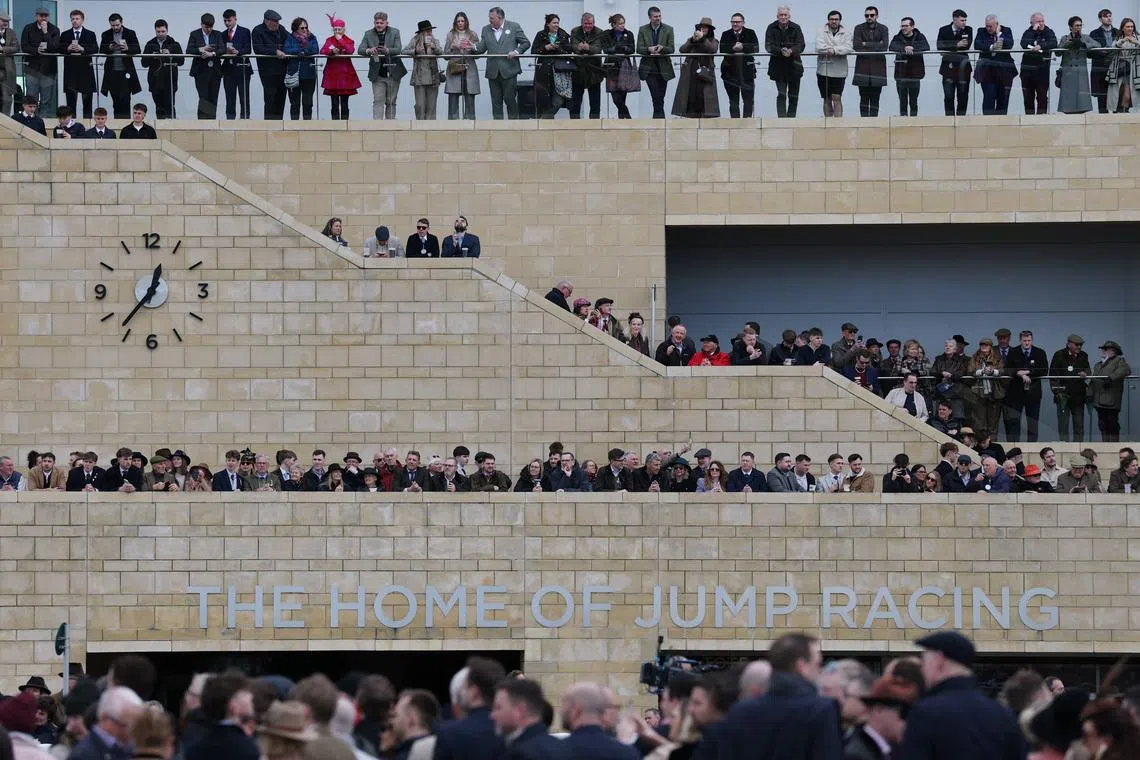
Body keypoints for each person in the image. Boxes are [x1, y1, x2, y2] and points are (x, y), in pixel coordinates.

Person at [900, 631, 1026, 759]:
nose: (922, 670)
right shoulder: (1003, 715)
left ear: (939, 659)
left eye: (923, 662)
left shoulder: (925, 713)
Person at [717, 634, 840, 758]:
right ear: (801, 666)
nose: (820, 670)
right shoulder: (820, 709)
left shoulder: (741, 710)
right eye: (818, 664)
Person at [434, 657, 506, 760]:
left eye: (465, 688)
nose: (462, 693)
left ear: (475, 693)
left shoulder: (449, 734)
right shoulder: (514, 730)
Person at [478, 7, 530, 120]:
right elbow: (481, 48)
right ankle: (498, 128)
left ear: (499, 17)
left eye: (491, 18)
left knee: (510, 99)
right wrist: (471, 47)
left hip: (509, 70)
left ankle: (513, 126)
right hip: (493, 71)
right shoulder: (486, 29)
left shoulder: (514, 26)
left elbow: (526, 43)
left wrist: (516, 52)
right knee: (496, 102)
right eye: (489, 18)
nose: (489, 20)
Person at [560, 684, 638, 760]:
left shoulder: (556, 751)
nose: (561, 712)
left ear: (576, 711)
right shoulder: (625, 753)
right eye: (615, 708)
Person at [69, 687, 145, 760]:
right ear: (104, 718)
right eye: (125, 725)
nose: (133, 732)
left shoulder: (131, 748)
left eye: (138, 726)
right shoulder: (83, 755)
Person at [359, 12, 406, 121]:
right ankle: (377, 126)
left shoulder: (395, 32)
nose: (379, 25)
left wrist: (387, 50)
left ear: (386, 23)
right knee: (378, 100)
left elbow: (398, 49)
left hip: (393, 72)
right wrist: (368, 50)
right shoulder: (368, 34)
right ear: (374, 23)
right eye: (377, 23)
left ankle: (390, 125)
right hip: (377, 73)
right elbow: (360, 49)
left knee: (391, 101)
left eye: (381, 22)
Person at [1003, 330, 1048, 442]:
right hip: (1015, 392)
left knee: (1032, 420)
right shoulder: (1013, 352)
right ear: (1020, 340)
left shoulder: (1039, 352)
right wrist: (1018, 373)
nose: (1027, 343)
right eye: (1024, 341)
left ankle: (1032, 445)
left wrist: (1028, 373)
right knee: (1014, 420)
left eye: (1029, 340)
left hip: (1033, 393)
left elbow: (1044, 370)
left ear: (1032, 340)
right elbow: (1007, 369)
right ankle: (1014, 445)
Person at [672, 17, 719, 118]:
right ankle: (691, 116)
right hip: (691, 70)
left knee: (704, 95)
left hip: (706, 71)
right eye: (702, 27)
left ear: (710, 29)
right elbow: (682, 49)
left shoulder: (714, 40)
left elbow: (712, 49)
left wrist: (703, 38)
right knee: (691, 94)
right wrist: (692, 40)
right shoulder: (692, 39)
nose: (704, 29)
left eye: (706, 27)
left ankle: (703, 116)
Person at [765, 6, 806, 117]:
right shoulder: (771, 27)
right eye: (781, 15)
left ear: (789, 16)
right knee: (781, 94)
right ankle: (782, 120)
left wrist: (791, 51)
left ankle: (791, 119)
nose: (783, 17)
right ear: (777, 16)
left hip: (794, 66)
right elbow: (768, 46)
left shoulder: (796, 27)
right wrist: (780, 50)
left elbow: (801, 45)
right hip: (778, 67)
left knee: (794, 96)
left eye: (785, 15)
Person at [530, 15, 572, 119]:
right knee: (543, 99)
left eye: (557, 22)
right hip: (544, 71)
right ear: (548, 24)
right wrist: (546, 48)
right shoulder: (540, 35)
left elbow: (568, 51)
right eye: (554, 23)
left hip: (560, 71)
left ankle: (543, 120)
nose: (556, 25)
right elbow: (534, 50)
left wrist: (558, 49)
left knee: (559, 100)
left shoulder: (563, 35)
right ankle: (545, 123)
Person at [637, 7, 675, 119]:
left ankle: (658, 120)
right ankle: (660, 121)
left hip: (664, 68)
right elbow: (639, 49)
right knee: (656, 95)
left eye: (659, 16)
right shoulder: (643, 29)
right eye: (655, 16)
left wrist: (662, 48)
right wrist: (649, 49)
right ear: (650, 17)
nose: (658, 18)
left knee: (660, 97)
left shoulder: (668, 29)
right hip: (649, 68)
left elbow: (671, 48)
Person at [974, 15, 1017, 114]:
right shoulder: (981, 31)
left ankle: (1001, 125)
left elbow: (1009, 44)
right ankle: (988, 124)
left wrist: (999, 34)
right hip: (987, 72)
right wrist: (991, 47)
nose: (988, 28)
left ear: (997, 24)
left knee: (1003, 100)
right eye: (987, 26)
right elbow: (977, 44)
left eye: (990, 26)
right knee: (988, 98)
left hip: (1004, 71)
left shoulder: (1006, 31)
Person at [321, 15, 361, 120]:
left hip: (345, 75)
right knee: (334, 103)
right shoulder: (329, 40)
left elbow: (350, 50)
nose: (337, 31)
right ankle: (335, 124)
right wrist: (332, 51)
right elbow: (323, 50)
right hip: (332, 75)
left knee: (344, 103)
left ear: (344, 30)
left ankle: (345, 124)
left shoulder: (349, 40)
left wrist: (341, 40)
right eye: (335, 30)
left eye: (339, 29)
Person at [719, 13, 759, 118]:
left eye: (738, 22)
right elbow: (722, 49)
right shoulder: (726, 34)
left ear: (743, 23)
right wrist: (733, 48)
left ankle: (747, 122)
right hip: (729, 72)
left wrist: (743, 46)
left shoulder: (750, 33)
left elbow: (755, 48)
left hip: (747, 72)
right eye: (733, 22)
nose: (735, 24)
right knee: (733, 101)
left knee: (748, 100)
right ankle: (735, 123)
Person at [1091, 340, 1131, 442]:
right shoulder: (1098, 364)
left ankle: (1114, 445)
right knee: (1102, 424)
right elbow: (1094, 379)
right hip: (1098, 400)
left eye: (1106, 349)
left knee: (1112, 424)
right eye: (1103, 349)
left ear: (1113, 351)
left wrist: (1111, 378)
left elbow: (1125, 370)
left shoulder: (1119, 361)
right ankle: (1105, 444)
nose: (1103, 351)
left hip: (1111, 400)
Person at [61, 10, 98, 120]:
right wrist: (67, 48)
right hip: (71, 72)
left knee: (87, 102)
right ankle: (71, 124)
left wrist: (83, 49)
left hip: (86, 71)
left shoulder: (90, 34)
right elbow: (59, 48)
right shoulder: (65, 34)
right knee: (71, 102)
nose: (75, 21)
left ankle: (88, 125)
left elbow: (95, 48)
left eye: (77, 19)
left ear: (82, 20)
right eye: (72, 19)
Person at [252, 10, 289, 120]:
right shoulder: (258, 31)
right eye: (275, 21)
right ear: (266, 21)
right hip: (268, 72)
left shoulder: (281, 29)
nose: (277, 24)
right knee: (270, 98)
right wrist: (275, 51)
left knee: (281, 98)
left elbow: (289, 40)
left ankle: (279, 123)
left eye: (278, 21)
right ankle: (269, 124)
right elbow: (258, 49)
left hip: (282, 69)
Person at [852, 6, 889, 116]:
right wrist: (877, 44)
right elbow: (857, 46)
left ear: (877, 16)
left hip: (878, 68)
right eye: (867, 15)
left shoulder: (883, 28)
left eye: (872, 15)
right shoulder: (858, 28)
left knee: (875, 99)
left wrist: (866, 43)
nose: (869, 17)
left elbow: (885, 46)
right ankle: (864, 123)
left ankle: (874, 124)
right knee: (863, 98)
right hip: (862, 67)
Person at [19, 9, 60, 106]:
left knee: (46, 100)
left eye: (46, 16)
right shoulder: (28, 28)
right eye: (41, 15)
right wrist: (35, 50)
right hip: (32, 68)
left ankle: (44, 120)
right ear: (36, 16)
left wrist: (45, 32)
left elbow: (55, 47)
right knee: (31, 99)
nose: (44, 18)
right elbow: (24, 46)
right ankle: (31, 119)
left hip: (49, 69)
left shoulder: (54, 29)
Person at [814, 11, 851, 117]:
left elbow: (848, 48)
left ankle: (838, 124)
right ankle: (828, 123)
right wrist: (839, 48)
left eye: (836, 19)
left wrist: (834, 50)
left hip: (840, 71)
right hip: (823, 69)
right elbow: (819, 47)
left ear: (840, 21)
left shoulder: (847, 32)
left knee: (837, 97)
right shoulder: (821, 31)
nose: (834, 21)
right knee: (826, 98)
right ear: (828, 20)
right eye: (831, 19)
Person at [216, 9, 252, 121]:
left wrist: (238, 52)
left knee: (244, 96)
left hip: (243, 67)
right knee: (229, 96)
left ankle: (245, 118)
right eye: (225, 21)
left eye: (229, 20)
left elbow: (248, 49)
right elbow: (220, 50)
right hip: (228, 69)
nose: (227, 23)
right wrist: (225, 52)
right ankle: (230, 119)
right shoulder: (222, 34)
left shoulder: (245, 31)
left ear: (235, 19)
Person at [143, 21, 183, 119]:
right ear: (155, 31)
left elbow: (181, 61)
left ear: (167, 30)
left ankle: (172, 127)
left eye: (163, 31)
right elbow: (143, 63)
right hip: (155, 81)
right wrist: (152, 56)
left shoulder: (174, 44)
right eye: (158, 32)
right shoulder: (150, 44)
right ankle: (160, 128)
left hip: (169, 81)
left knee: (170, 106)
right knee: (159, 108)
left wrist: (170, 54)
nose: (160, 34)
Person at [890, 17, 929, 115]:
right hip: (901, 73)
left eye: (906, 26)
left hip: (915, 74)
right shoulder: (897, 37)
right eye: (902, 26)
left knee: (913, 101)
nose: (903, 28)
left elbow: (926, 46)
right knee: (902, 101)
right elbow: (891, 47)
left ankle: (913, 122)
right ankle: (903, 123)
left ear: (912, 26)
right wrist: (904, 48)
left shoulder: (920, 36)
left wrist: (913, 48)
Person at [187, 14, 224, 119]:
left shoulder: (217, 34)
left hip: (215, 71)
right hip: (200, 70)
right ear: (202, 24)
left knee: (213, 97)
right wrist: (202, 49)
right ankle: (202, 122)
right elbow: (189, 50)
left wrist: (212, 54)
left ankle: (212, 122)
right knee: (203, 97)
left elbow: (222, 49)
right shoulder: (195, 34)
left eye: (211, 27)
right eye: (207, 27)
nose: (209, 29)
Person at [443, 13, 479, 120]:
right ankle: (453, 125)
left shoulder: (473, 34)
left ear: (466, 22)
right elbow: (445, 56)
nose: (460, 23)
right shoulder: (450, 35)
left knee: (469, 99)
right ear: (455, 22)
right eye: (458, 21)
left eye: (462, 21)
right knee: (453, 99)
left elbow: (478, 54)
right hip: (454, 70)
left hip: (469, 70)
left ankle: (470, 123)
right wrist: (453, 47)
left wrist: (471, 47)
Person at [1020, 13, 1057, 114]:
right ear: (1032, 23)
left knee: (1042, 96)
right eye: (1038, 22)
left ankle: (1041, 118)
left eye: (1042, 21)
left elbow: (1053, 42)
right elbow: (1024, 43)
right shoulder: (1028, 32)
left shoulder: (1048, 31)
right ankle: (1029, 119)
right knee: (1028, 97)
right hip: (1027, 70)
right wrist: (1033, 30)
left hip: (1042, 70)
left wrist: (1041, 46)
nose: (1041, 24)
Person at [937, 9, 973, 114]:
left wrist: (948, 48)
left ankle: (961, 120)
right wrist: (956, 45)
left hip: (963, 68)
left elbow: (967, 46)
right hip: (948, 68)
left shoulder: (968, 29)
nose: (964, 23)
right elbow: (940, 46)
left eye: (965, 20)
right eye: (962, 20)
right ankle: (949, 119)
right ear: (954, 19)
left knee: (963, 96)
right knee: (949, 96)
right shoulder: (944, 30)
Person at [1057, 17, 1096, 114]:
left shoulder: (1085, 37)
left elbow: (1097, 45)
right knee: (1068, 99)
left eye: (1080, 25)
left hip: (1081, 71)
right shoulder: (1065, 38)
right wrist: (1066, 44)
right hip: (1068, 72)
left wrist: (1083, 44)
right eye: (1076, 25)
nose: (1079, 27)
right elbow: (1057, 53)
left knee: (1081, 99)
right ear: (1071, 27)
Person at [602, 14, 638, 119]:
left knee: (622, 96)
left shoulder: (629, 34)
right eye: (620, 24)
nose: (622, 26)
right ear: (613, 25)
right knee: (615, 98)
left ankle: (622, 121)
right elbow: (606, 49)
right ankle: (628, 118)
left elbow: (632, 49)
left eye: (623, 23)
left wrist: (624, 48)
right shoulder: (607, 34)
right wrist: (616, 48)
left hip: (624, 67)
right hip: (611, 67)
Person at [282, 18, 318, 121]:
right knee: (294, 103)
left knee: (308, 103)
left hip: (309, 74)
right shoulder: (290, 37)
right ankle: (294, 126)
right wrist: (301, 51)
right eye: (302, 27)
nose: (305, 30)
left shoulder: (311, 37)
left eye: (306, 27)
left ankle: (307, 125)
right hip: (294, 74)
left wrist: (304, 52)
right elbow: (287, 49)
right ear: (296, 28)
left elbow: (315, 49)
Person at [568, 13, 603, 119]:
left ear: (594, 23)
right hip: (578, 70)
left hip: (594, 71)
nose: (588, 26)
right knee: (576, 102)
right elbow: (573, 47)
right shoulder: (575, 31)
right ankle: (574, 125)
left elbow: (598, 49)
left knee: (595, 103)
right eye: (586, 23)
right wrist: (581, 48)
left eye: (590, 23)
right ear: (582, 23)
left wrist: (587, 47)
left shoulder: (600, 32)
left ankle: (595, 125)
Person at [1091, 9, 1121, 114]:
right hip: (1101, 67)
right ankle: (1103, 119)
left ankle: (1117, 117)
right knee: (1102, 96)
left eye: (1110, 16)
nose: (1109, 18)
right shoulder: (1094, 33)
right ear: (1100, 19)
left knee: (1116, 93)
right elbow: (1090, 52)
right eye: (1105, 16)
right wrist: (1102, 52)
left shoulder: (1118, 32)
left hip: (1115, 67)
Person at [1109, 18, 1140, 112]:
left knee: (1128, 95)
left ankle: (1127, 113)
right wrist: (1122, 41)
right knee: (1118, 94)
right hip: (1120, 70)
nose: (1130, 28)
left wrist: (1136, 42)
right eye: (1128, 26)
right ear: (1123, 28)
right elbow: (1112, 48)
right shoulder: (1118, 38)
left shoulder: (1138, 37)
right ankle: (1119, 113)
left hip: (1134, 70)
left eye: (1132, 26)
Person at [0, 12, 17, 116]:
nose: (6, 23)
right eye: (3, 21)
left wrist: (3, 49)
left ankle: (5, 121)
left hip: (7, 69)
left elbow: (16, 47)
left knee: (7, 98)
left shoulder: (11, 32)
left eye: (7, 21)